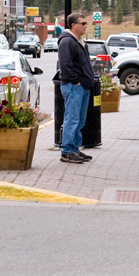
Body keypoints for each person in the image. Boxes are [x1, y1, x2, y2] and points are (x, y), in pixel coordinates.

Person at [57, 11, 95, 164]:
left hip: (82, 86)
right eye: (83, 23)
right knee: (71, 120)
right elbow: (65, 65)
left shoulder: (79, 41)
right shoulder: (67, 41)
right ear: (73, 25)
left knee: (79, 120)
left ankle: (74, 148)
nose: (86, 26)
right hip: (73, 87)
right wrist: (75, 81)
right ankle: (66, 151)